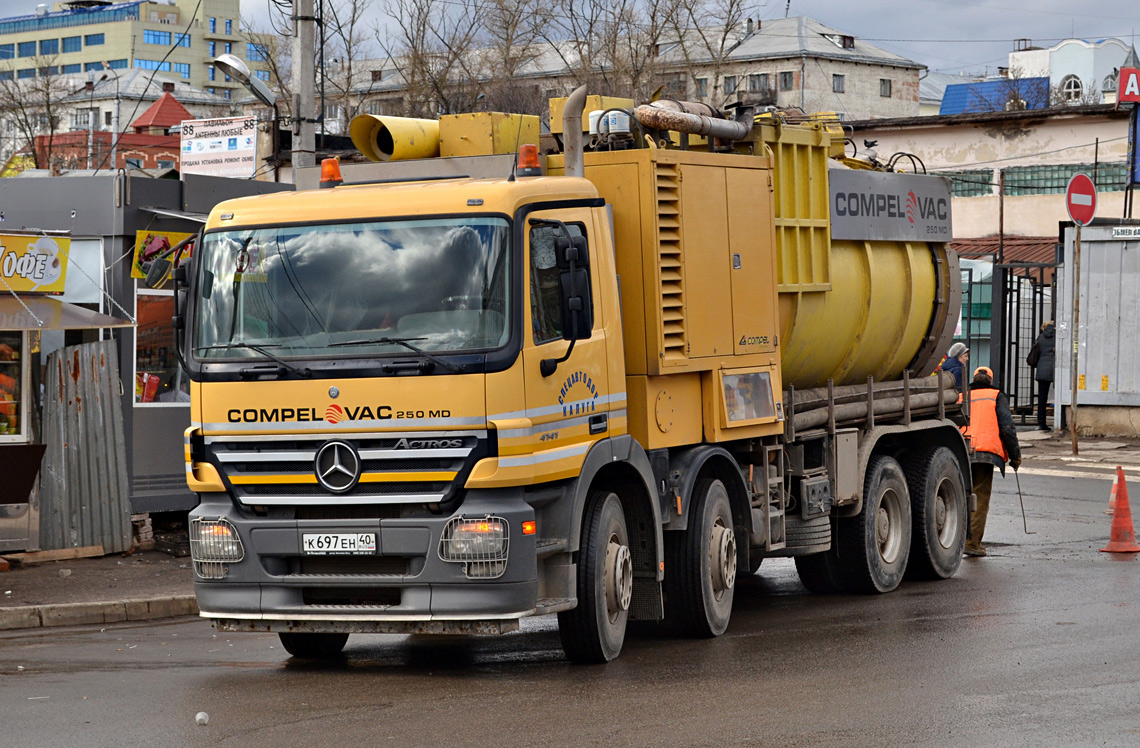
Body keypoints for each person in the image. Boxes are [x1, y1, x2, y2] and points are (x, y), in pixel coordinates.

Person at [961, 366, 1022, 557]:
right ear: (990, 380)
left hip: (962, 448)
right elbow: (1007, 427)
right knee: (979, 497)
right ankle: (972, 543)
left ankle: (958, 540)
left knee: (963, 496)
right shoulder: (996, 395)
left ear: (974, 378)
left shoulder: (962, 395)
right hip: (985, 452)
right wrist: (1015, 455)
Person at [1028, 321, 1055, 431]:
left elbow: (1036, 353)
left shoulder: (1040, 338)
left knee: (1042, 397)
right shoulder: (1058, 337)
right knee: (1061, 396)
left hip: (1042, 369)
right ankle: (1061, 422)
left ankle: (1041, 423)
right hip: (1055, 368)